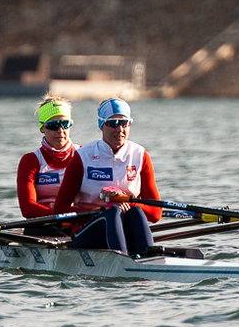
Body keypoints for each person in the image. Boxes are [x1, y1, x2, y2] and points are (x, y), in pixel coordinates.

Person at [52, 98, 162, 256]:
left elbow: (156, 213)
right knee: (112, 212)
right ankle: (123, 261)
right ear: (101, 125)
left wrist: (126, 202)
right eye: (113, 123)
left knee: (136, 211)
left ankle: (150, 261)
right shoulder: (83, 157)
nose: (119, 129)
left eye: (124, 123)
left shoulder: (140, 155)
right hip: (87, 233)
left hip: (125, 230)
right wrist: (101, 210)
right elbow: (59, 210)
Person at [16, 96, 79, 228]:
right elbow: (27, 208)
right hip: (43, 224)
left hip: (77, 222)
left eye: (65, 124)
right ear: (42, 128)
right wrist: (60, 216)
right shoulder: (30, 160)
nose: (61, 131)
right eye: (53, 126)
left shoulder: (84, 155)